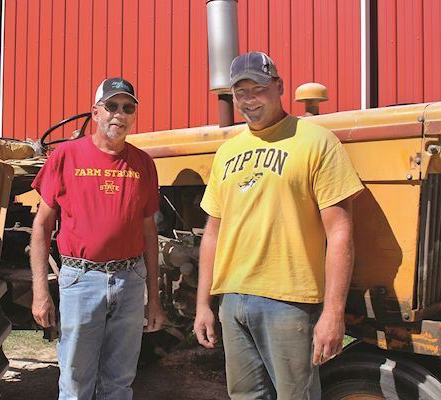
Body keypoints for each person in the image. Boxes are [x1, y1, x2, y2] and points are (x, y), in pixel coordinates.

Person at [193, 52, 364, 399]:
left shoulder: (316, 142)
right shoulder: (227, 152)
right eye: (241, 92)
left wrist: (334, 312)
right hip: (233, 300)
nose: (250, 99)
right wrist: (203, 305)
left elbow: (340, 232)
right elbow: (213, 232)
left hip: (289, 301)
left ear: (279, 86)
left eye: (258, 88)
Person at [30, 77, 166, 400]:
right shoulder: (66, 157)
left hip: (129, 281)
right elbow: (41, 227)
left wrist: (154, 298)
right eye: (112, 106)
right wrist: (40, 291)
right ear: (96, 112)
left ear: (134, 114)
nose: (119, 114)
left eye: (127, 107)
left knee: (119, 382)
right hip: (81, 280)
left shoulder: (143, 164)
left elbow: (149, 233)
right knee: (75, 384)